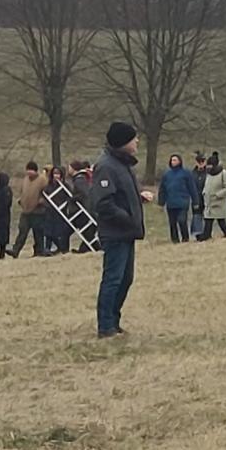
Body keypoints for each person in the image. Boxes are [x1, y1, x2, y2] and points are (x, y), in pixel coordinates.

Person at [92, 122, 152, 338]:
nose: (137, 141)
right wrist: (127, 218)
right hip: (115, 233)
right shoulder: (106, 167)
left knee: (126, 279)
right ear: (123, 142)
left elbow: (121, 195)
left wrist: (138, 198)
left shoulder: (123, 165)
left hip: (126, 232)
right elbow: (103, 203)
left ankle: (114, 321)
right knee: (113, 279)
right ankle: (105, 326)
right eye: (133, 138)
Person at [158, 153, 200, 243]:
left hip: (183, 202)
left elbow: (192, 188)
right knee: (172, 223)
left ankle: (185, 238)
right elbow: (162, 189)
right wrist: (161, 203)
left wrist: (195, 201)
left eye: (175, 160)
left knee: (182, 220)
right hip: (171, 203)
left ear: (180, 161)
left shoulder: (186, 173)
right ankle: (175, 240)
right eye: (172, 160)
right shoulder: (167, 175)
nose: (173, 162)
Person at [8, 161, 47, 258]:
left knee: (38, 232)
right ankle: (15, 250)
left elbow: (46, 193)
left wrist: (41, 201)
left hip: (38, 211)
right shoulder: (25, 179)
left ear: (35, 171)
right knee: (22, 231)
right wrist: (20, 200)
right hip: (25, 211)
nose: (29, 172)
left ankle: (39, 251)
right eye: (28, 170)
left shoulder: (42, 180)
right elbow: (22, 191)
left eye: (31, 170)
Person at [198, 153, 226, 240]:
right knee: (208, 220)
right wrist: (204, 193)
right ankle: (206, 235)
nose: (208, 167)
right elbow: (207, 185)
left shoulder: (224, 173)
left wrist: (218, 195)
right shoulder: (209, 174)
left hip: (219, 203)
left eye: (210, 166)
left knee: (221, 222)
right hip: (209, 203)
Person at [43, 165, 73, 254]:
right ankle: (47, 248)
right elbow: (45, 196)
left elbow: (70, 196)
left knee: (60, 231)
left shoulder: (65, 186)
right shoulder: (49, 186)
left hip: (61, 212)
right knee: (48, 231)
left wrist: (65, 205)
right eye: (54, 173)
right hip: (50, 211)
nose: (56, 176)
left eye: (58, 174)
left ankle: (62, 248)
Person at [191, 152, 208, 238]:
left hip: (206, 198)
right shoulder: (192, 174)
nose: (201, 163)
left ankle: (207, 233)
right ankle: (197, 235)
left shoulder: (209, 173)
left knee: (207, 217)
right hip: (196, 198)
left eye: (202, 161)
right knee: (196, 216)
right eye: (199, 161)